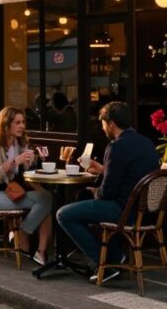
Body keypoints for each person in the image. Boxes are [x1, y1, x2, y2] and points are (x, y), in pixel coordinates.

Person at [56, 101, 160, 282]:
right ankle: (115, 256)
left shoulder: (116, 146)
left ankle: (103, 264)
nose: (103, 128)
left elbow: (107, 193)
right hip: (146, 212)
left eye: (103, 124)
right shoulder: (146, 143)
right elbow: (132, 173)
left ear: (111, 123)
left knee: (64, 214)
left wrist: (95, 190)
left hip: (123, 211)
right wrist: (105, 170)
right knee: (86, 203)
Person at [0, 106, 53, 265]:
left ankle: (37, 249)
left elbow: (22, 173)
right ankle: (24, 236)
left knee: (46, 198)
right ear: (5, 124)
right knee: (45, 203)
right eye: (17, 122)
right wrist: (11, 164)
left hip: (14, 190)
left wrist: (29, 161)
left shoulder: (19, 142)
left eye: (23, 122)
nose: (22, 126)